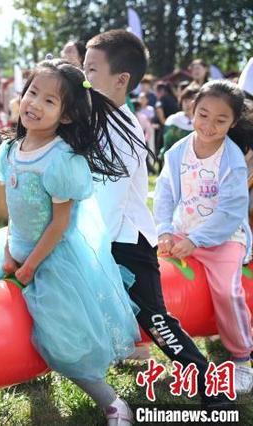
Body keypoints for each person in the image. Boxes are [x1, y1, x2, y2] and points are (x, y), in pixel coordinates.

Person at [84, 29, 233, 408]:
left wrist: (89, 244)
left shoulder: (124, 132)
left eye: (90, 70)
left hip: (126, 242)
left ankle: (208, 386)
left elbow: (112, 201)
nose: (84, 78)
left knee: (155, 319)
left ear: (121, 81)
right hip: (104, 237)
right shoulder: (99, 117)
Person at [0, 58, 141, 425]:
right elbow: (14, 208)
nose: (34, 103)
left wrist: (29, 266)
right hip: (16, 248)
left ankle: (113, 402)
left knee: (64, 340)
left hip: (53, 258)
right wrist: (10, 249)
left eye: (49, 101)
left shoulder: (60, 160)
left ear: (67, 116)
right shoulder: (12, 150)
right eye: (32, 92)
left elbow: (59, 225)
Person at [155, 80, 253, 394]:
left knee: (226, 290)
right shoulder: (177, 151)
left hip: (224, 238)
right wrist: (165, 231)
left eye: (220, 120)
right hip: (183, 231)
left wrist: (197, 241)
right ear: (192, 110)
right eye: (203, 115)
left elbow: (231, 211)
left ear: (233, 122)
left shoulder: (232, 159)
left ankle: (241, 356)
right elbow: (165, 194)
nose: (208, 125)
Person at [159, 86, 198, 161]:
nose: (188, 104)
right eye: (185, 100)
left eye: (192, 100)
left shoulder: (203, 123)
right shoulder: (173, 120)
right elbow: (167, 145)